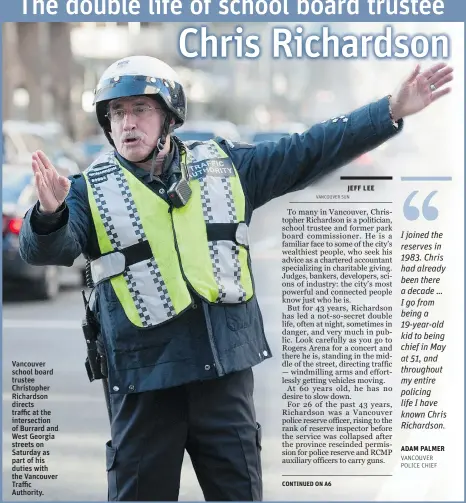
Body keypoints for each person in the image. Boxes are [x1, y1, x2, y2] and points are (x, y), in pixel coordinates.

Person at [19, 56, 453, 501]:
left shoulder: (225, 166)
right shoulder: (88, 191)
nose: (127, 123)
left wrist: (389, 111)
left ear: (168, 116)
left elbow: (309, 149)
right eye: (117, 113)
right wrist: (49, 215)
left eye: (139, 109)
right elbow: (44, 250)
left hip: (222, 378)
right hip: (143, 383)